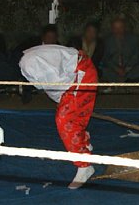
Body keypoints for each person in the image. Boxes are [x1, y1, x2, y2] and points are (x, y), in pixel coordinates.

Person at [20, 45, 97, 189]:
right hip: (76, 72)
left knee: (65, 119)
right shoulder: (27, 62)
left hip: (81, 72)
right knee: (70, 113)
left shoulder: (31, 62)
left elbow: (56, 84)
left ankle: (84, 165)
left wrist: (64, 104)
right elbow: (50, 86)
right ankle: (83, 142)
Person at [102, 18, 139, 83]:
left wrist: (126, 69)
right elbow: (106, 58)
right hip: (114, 69)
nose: (118, 31)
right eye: (115, 28)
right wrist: (116, 69)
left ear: (124, 27)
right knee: (104, 71)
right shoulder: (107, 41)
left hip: (129, 68)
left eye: (120, 27)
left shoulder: (133, 39)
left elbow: (137, 56)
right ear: (112, 29)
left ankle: (126, 80)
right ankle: (122, 80)